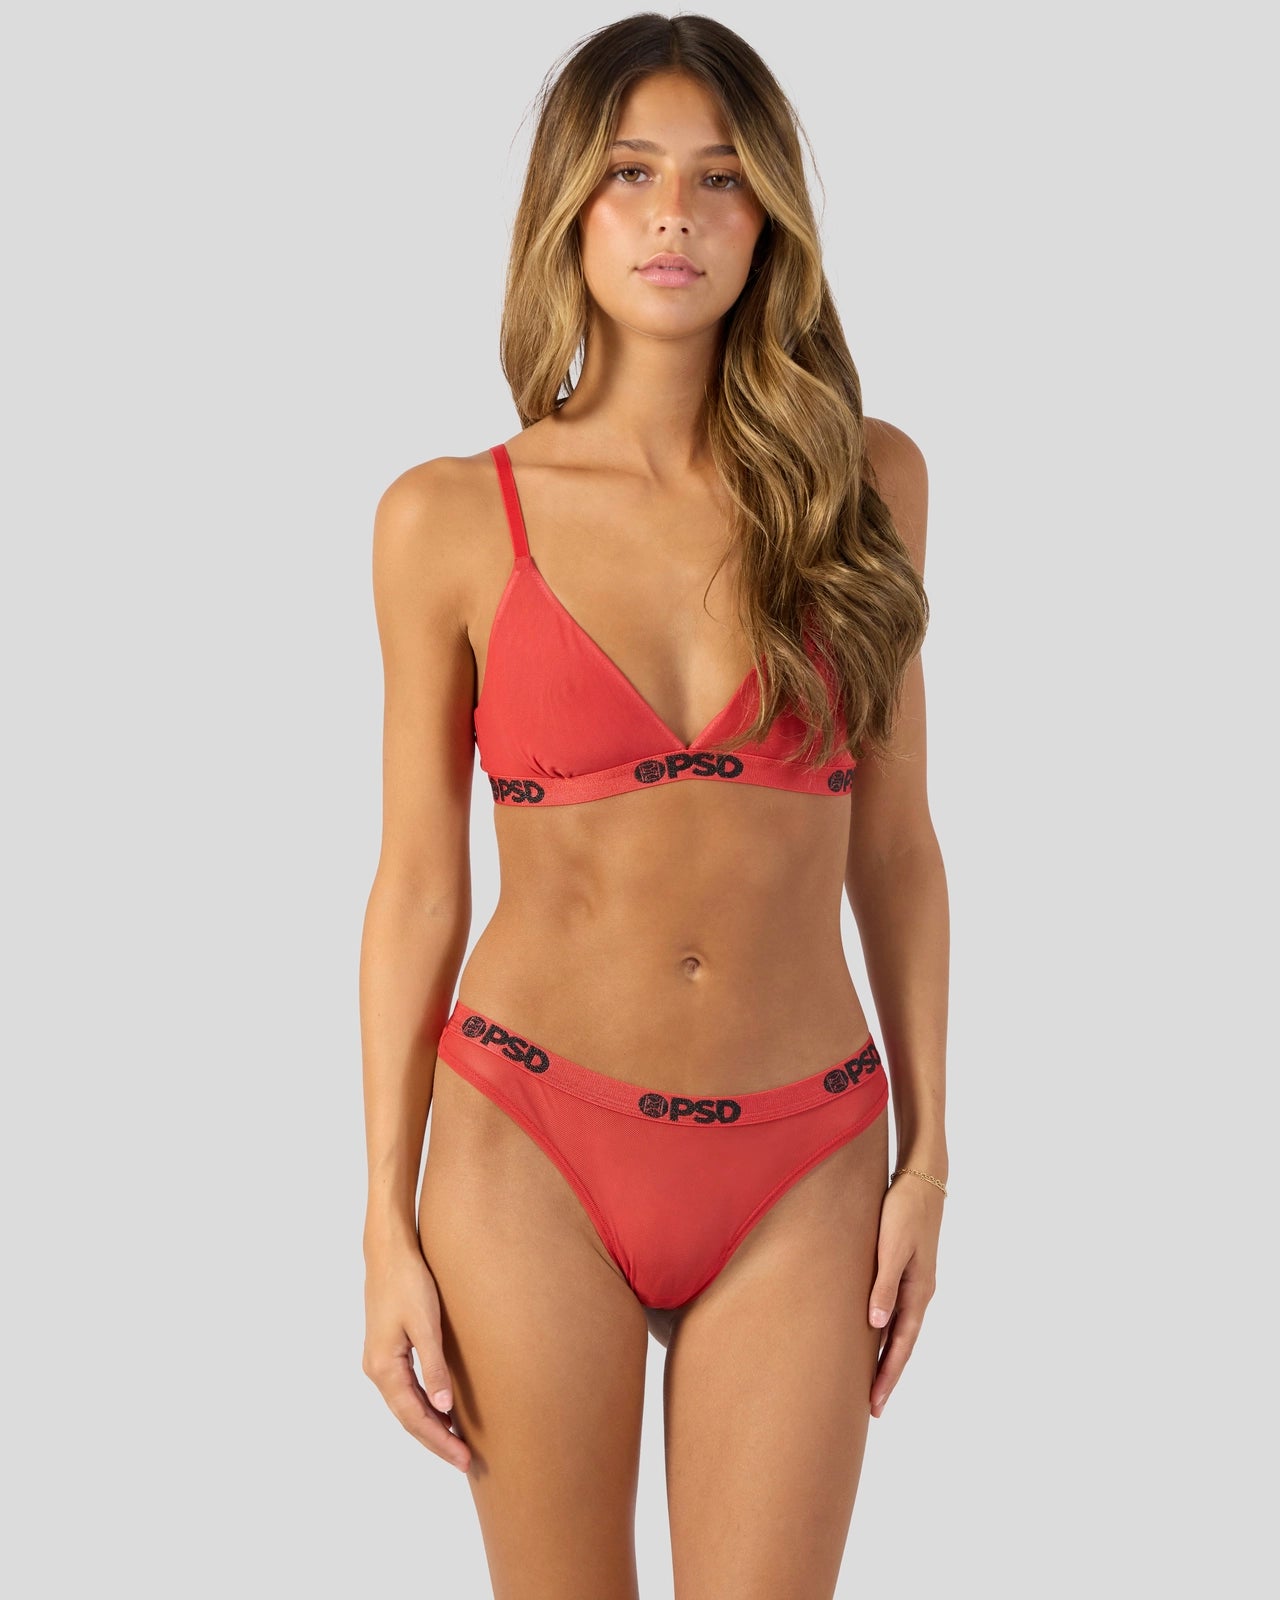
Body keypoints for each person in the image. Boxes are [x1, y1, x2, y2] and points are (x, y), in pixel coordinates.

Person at [359, 12, 948, 1597]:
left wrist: (930, 1158)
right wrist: (383, 1222)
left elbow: (897, 849)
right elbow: (418, 886)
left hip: (808, 1152)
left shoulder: (868, 486)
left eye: (719, 177)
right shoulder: (445, 519)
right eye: (630, 174)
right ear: (569, 205)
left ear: (770, 221)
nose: (674, 215)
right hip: (529, 1145)